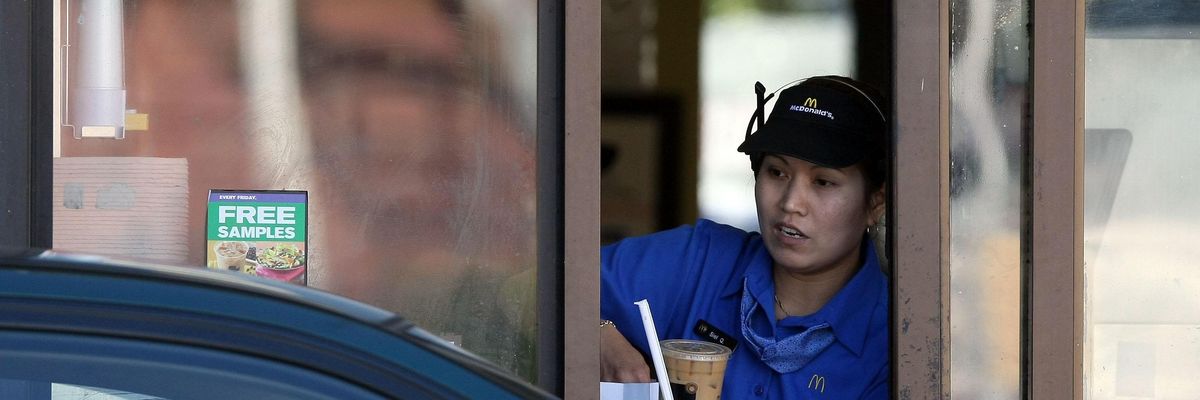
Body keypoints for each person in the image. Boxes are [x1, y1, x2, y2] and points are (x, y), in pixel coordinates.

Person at [600, 75, 889, 399]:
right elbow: (548, 286)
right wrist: (598, 336)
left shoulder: (896, 341)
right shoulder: (701, 260)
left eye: (823, 182)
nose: (791, 202)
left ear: (875, 203)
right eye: (777, 172)